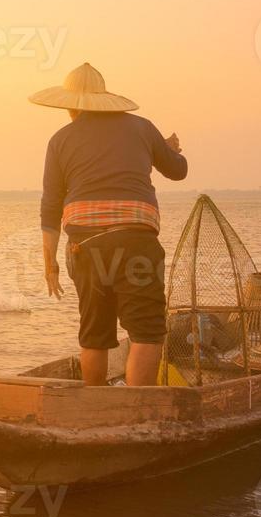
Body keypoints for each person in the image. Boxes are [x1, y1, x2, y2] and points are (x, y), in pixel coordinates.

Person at [32, 64, 188, 387]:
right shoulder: (143, 129)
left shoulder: (59, 140)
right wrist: (171, 150)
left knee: (94, 337)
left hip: (85, 249)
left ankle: (95, 410)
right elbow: (178, 171)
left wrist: (50, 264)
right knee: (146, 333)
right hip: (136, 246)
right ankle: (135, 411)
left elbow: (50, 208)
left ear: (71, 104)